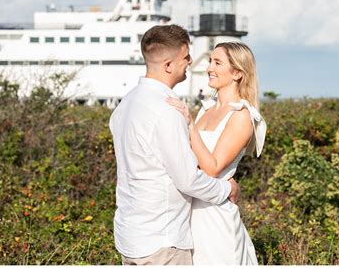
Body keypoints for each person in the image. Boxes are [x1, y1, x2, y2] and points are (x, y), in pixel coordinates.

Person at [109, 25, 240, 265]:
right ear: (168, 65)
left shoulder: (124, 105)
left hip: (131, 234)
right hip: (162, 239)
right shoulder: (166, 110)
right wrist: (226, 190)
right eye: (185, 57)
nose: (191, 61)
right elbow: (187, 179)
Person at [166, 41, 266, 265]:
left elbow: (213, 167)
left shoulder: (241, 115)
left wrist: (190, 126)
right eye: (211, 61)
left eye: (217, 62)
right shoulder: (207, 108)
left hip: (214, 216)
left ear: (238, 73)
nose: (209, 68)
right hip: (189, 211)